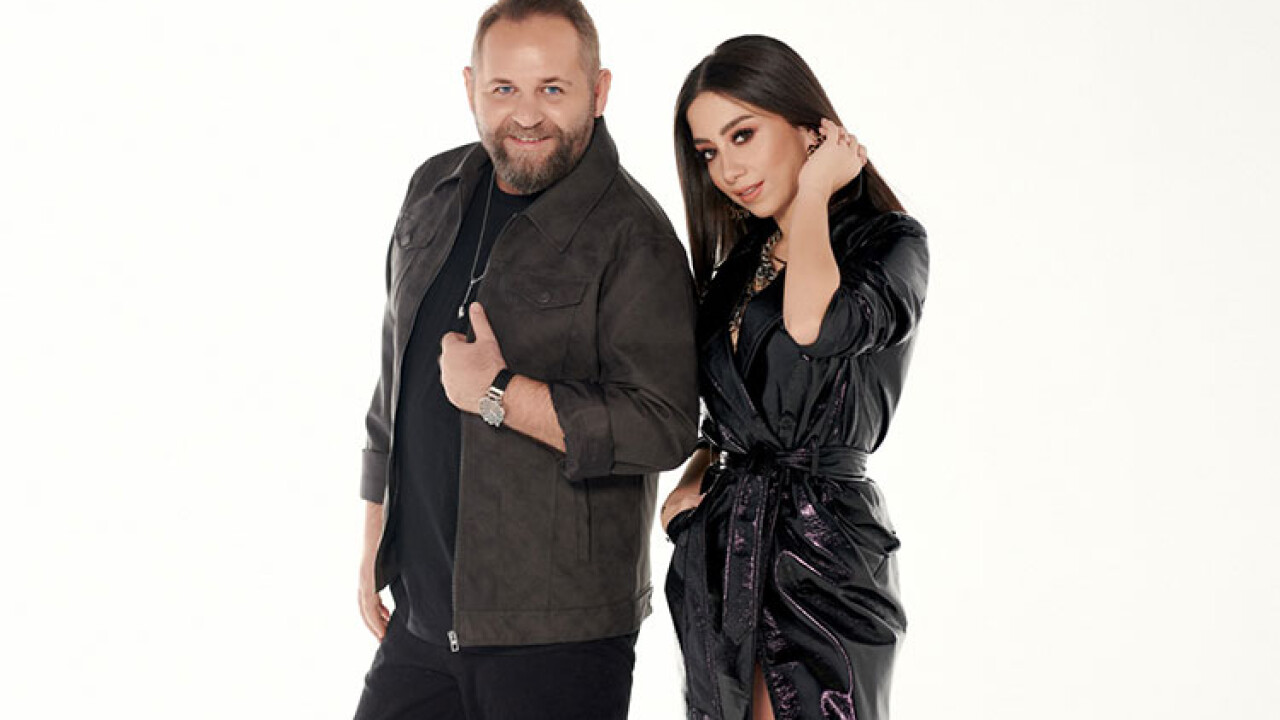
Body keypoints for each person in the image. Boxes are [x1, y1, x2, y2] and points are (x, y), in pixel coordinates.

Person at [353, 2, 699, 718]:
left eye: (553, 89)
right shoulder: (433, 191)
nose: (528, 115)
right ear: (471, 88)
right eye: (505, 88)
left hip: (558, 640)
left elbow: (663, 426)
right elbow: (394, 378)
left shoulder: (634, 236)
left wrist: (500, 393)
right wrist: (374, 537)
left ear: (598, 92)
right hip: (422, 621)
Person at [661, 35, 929, 720]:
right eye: (708, 152)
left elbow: (814, 323)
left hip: (824, 556)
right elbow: (728, 405)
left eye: (742, 134)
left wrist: (813, 192)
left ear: (811, 128)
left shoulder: (889, 242)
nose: (727, 169)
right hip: (726, 551)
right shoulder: (735, 270)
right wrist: (698, 473)